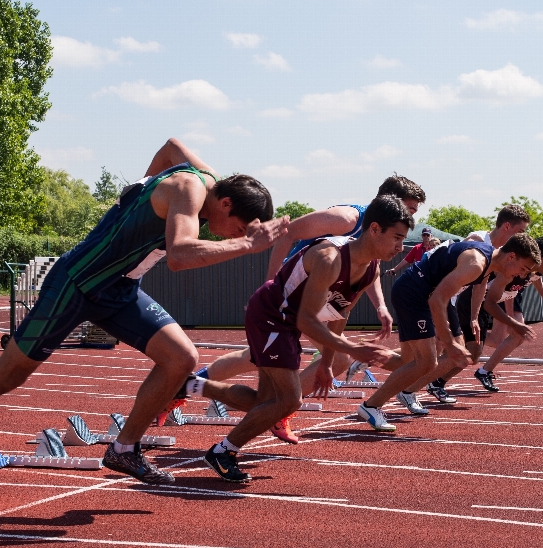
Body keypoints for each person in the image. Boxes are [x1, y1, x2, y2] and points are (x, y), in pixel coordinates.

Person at [0, 138, 291, 498]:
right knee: (7, 375)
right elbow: (182, 255)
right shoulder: (188, 188)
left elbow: (171, 145)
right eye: (232, 226)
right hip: (77, 285)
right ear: (224, 203)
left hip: (118, 291)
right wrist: (245, 244)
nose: (224, 235)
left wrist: (135, 193)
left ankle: (124, 449)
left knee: (181, 358)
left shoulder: (207, 178)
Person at [161, 175, 427, 442]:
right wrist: (271, 283)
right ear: (387, 207)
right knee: (334, 357)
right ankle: (279, 408)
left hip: (320, 294)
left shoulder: (377, 241)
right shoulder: (347, 219)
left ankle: (199, 386)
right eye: (410, 210)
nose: (410, 218)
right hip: (291, 293)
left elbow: (364, 271)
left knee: (258, 359)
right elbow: (287, 232)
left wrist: (379, 305)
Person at [355, 233, 541, 432]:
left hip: (418, 293)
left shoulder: (489, 261)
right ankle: (371, 406)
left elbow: (478, 287)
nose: (522, 275)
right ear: (511, 256)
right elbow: (437, 300)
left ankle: (362, 355)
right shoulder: (476, 263)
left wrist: (473, 318)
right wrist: (450, 343)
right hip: (414, 294)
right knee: (426, 361)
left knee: (408, 362)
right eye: (523, 268)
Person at [471, 237, 543, 390]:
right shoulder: (515, 270)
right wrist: (511, 320)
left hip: (497, 298)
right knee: (513, 335)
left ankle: (482, 368)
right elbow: (504, 293)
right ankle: (480, 368)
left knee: (496, 340)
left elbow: (534, 280)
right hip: (479, 298)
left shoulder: (536, 270)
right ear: (538, 256)